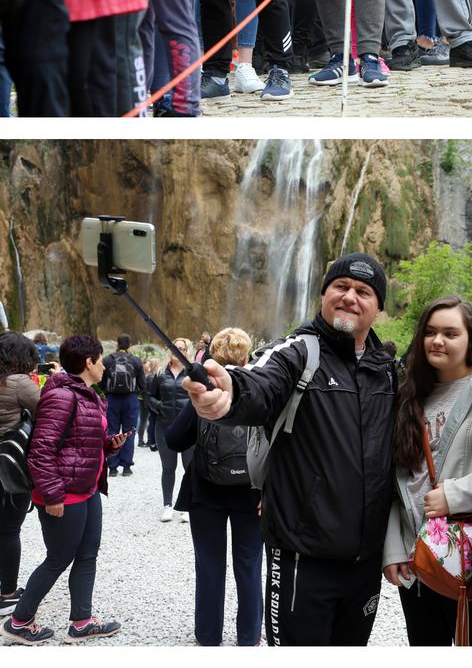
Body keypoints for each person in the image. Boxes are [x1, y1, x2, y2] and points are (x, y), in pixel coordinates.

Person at [182, 253, 396, 646]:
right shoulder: (297, 351)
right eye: (341, 286)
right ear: (323, 294)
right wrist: (228, 393)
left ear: (378, 307)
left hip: (365, 564)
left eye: (363, 292)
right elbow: (258, 383)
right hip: (302, 558)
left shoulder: (386, 371)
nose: (350, 297)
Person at [381, 297, 472, 646]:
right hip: (418, 558)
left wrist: (455, 495)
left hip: (469, 557)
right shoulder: (409, 394)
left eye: (450, 333)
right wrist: (393, 548)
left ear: (471, 339)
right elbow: (397, 481)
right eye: (430, 332)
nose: (438, 341)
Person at [3, 335, 127, 644]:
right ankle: (19, 621)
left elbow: (79, 441)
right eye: (101, 360)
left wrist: (109, 445)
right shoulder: (62, 396)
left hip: (87, 489)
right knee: (58, 557)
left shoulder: (87, 393)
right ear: (88, 362)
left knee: (87, 554)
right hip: (63, 493)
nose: (104, 366)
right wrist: (53, 495)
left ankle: (82, 622)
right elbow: (41, 452)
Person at [164, 327, 260, 645]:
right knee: (249, 565)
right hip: (252, 494)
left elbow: (174, 440)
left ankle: (207, 636)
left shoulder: (206, 392)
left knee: (209, 565)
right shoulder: (260, 391)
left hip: (206, 492)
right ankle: (249, 637)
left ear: (213, 358)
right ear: (246, 358)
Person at [0, 332, 42, 618]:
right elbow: (47, 410)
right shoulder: (19, 382)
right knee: (8, 530)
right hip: (8, 464)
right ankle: (7, 595)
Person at [147, 339, 193, 521]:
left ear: (187, 351)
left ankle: (188, 507)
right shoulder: (160, 374)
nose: (178, 351)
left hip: (187, 426)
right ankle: (167, 506)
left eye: (181, 348)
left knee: (190, 467)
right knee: (168, 467)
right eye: (175, 348)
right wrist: (159, 407)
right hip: (164, 426)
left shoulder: (192, 372)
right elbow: (149, 396)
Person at [100, 335, 145, 477]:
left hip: (112, 399)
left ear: (117, 344)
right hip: (130, 399)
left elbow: (101, 382)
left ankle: (112, 467)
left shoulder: (107, 360)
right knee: (129, 432)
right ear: (130, 344)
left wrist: (105, 393)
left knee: (112, 431)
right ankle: (126, 466)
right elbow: (142, 384)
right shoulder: (135, 360)